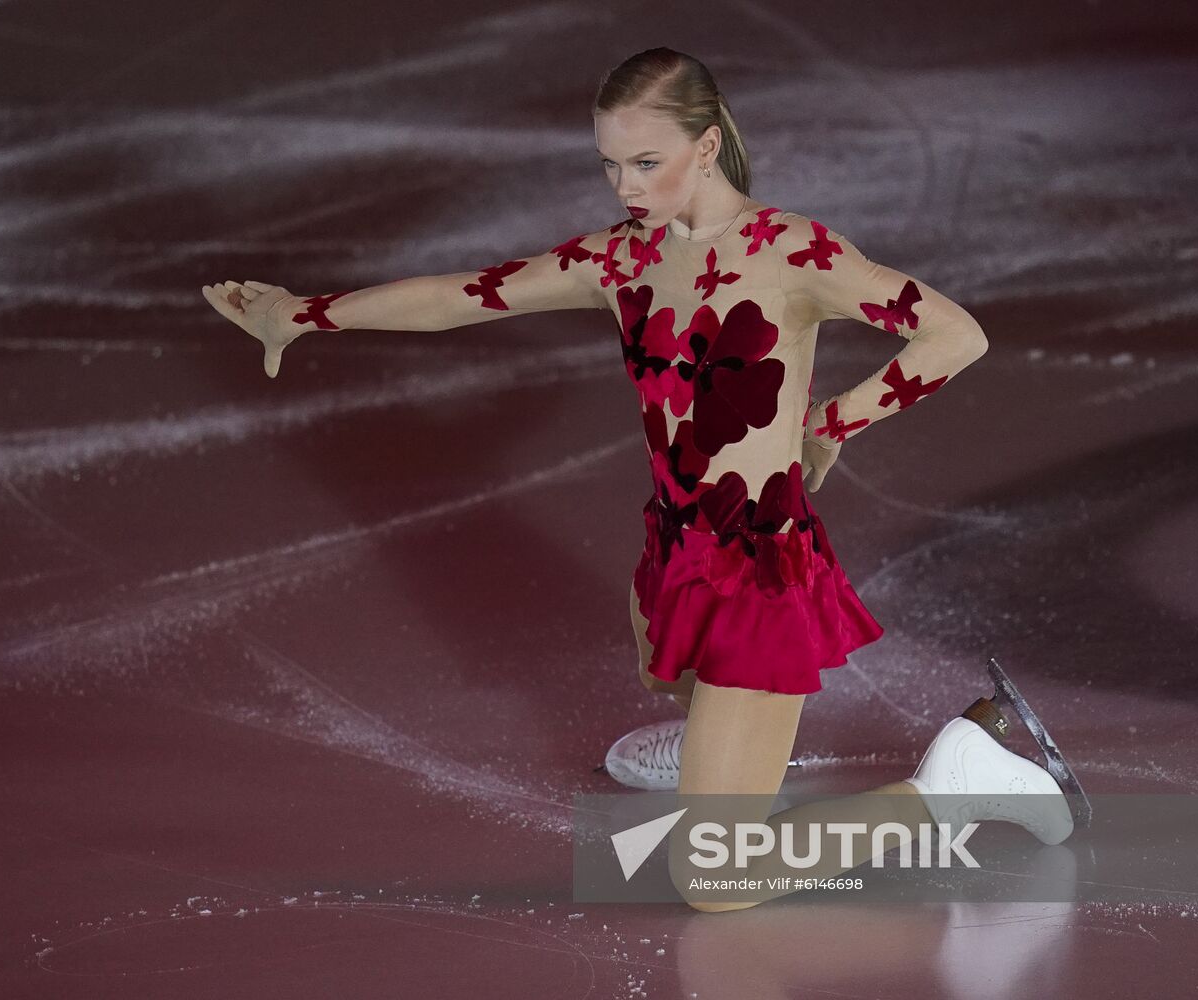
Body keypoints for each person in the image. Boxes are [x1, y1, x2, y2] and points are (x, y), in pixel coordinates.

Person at [201, 47, 1089, 911]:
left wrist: (833, 422)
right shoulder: (621, 260)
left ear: (706, 147)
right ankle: (714, 734)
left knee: (716, 882)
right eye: (611, 164)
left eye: (646, 162)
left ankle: (954, 781)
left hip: (755, 574)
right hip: (677, 548)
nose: (625, 186)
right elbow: (458, 297)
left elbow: (954, 335)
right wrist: (303, 315)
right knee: (653, 643)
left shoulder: (793, 252)